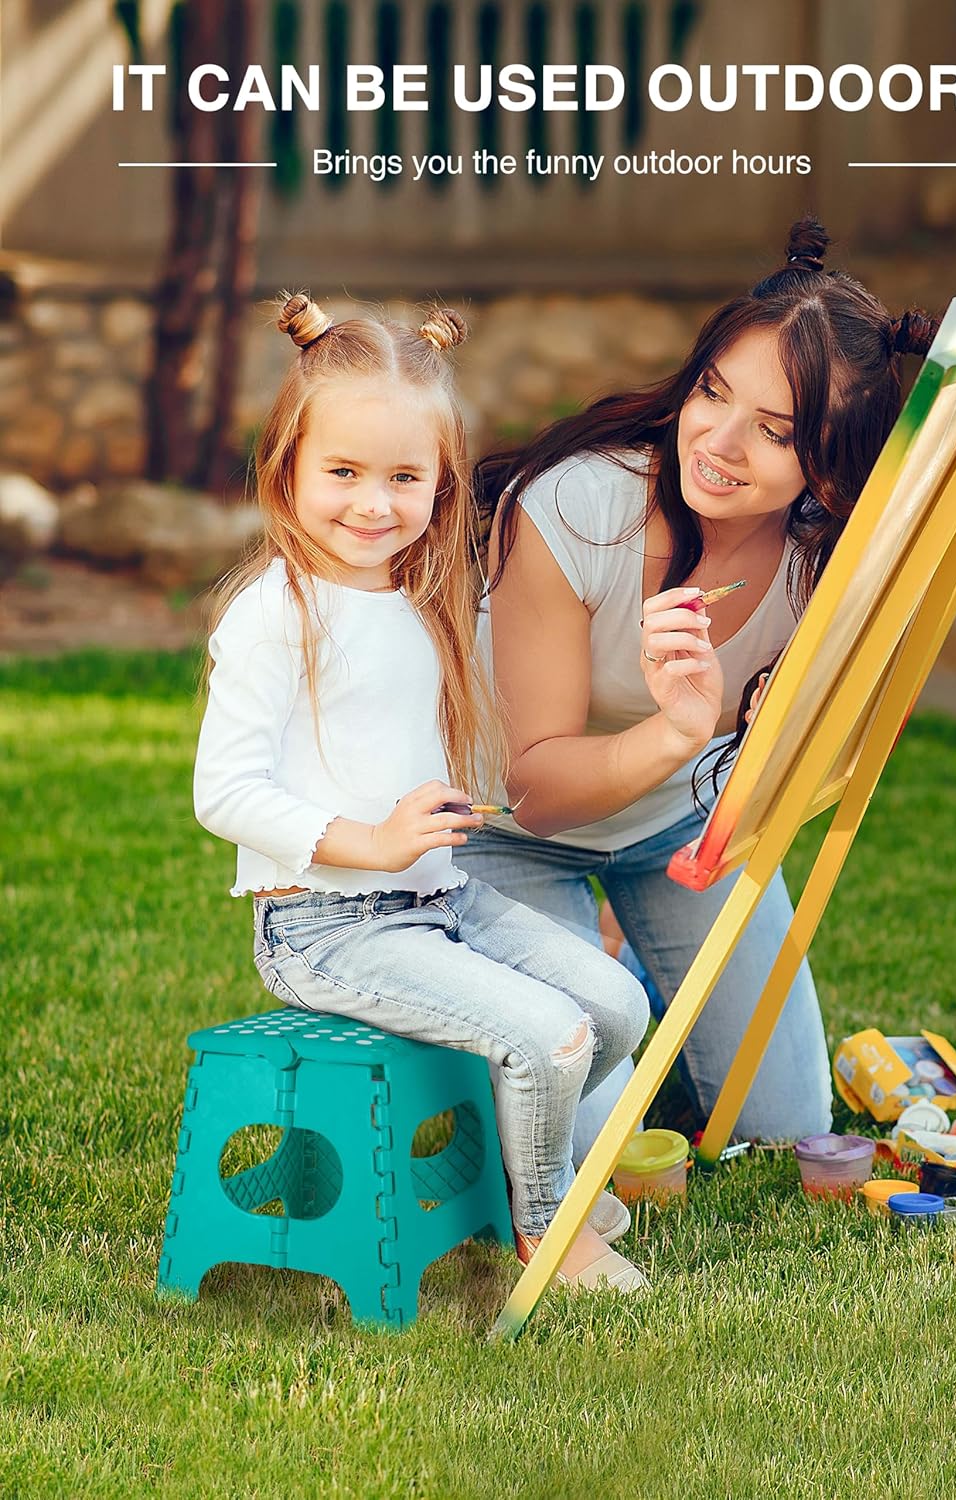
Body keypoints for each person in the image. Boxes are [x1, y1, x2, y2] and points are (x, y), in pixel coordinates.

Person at [193, 293, 651, 1291]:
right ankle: (545, 1231)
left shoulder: (415, 600)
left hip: (441, 901)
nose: (373, 503)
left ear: (442, 486)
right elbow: (224, 794)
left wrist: (452, 814)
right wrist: (371, 839)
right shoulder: (275, 616)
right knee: (551, 1035)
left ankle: (526, 1174)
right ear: (287, 472)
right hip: (327, 928)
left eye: (404, 477)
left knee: (616, 1005)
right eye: (344, 473)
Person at [467, 219, 940, 1160]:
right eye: (712, 393)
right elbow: (537, 791)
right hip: (501, 834)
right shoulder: (575, 505)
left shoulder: (825, 559)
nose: (718, 443)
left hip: (677, 832)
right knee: (582, 1150)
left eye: (773, 432)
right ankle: (604, 982)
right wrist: (680, 733)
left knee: (786, 1130)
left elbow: (827, 750)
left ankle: (644, 970)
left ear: (831, 470)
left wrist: (786, 735)